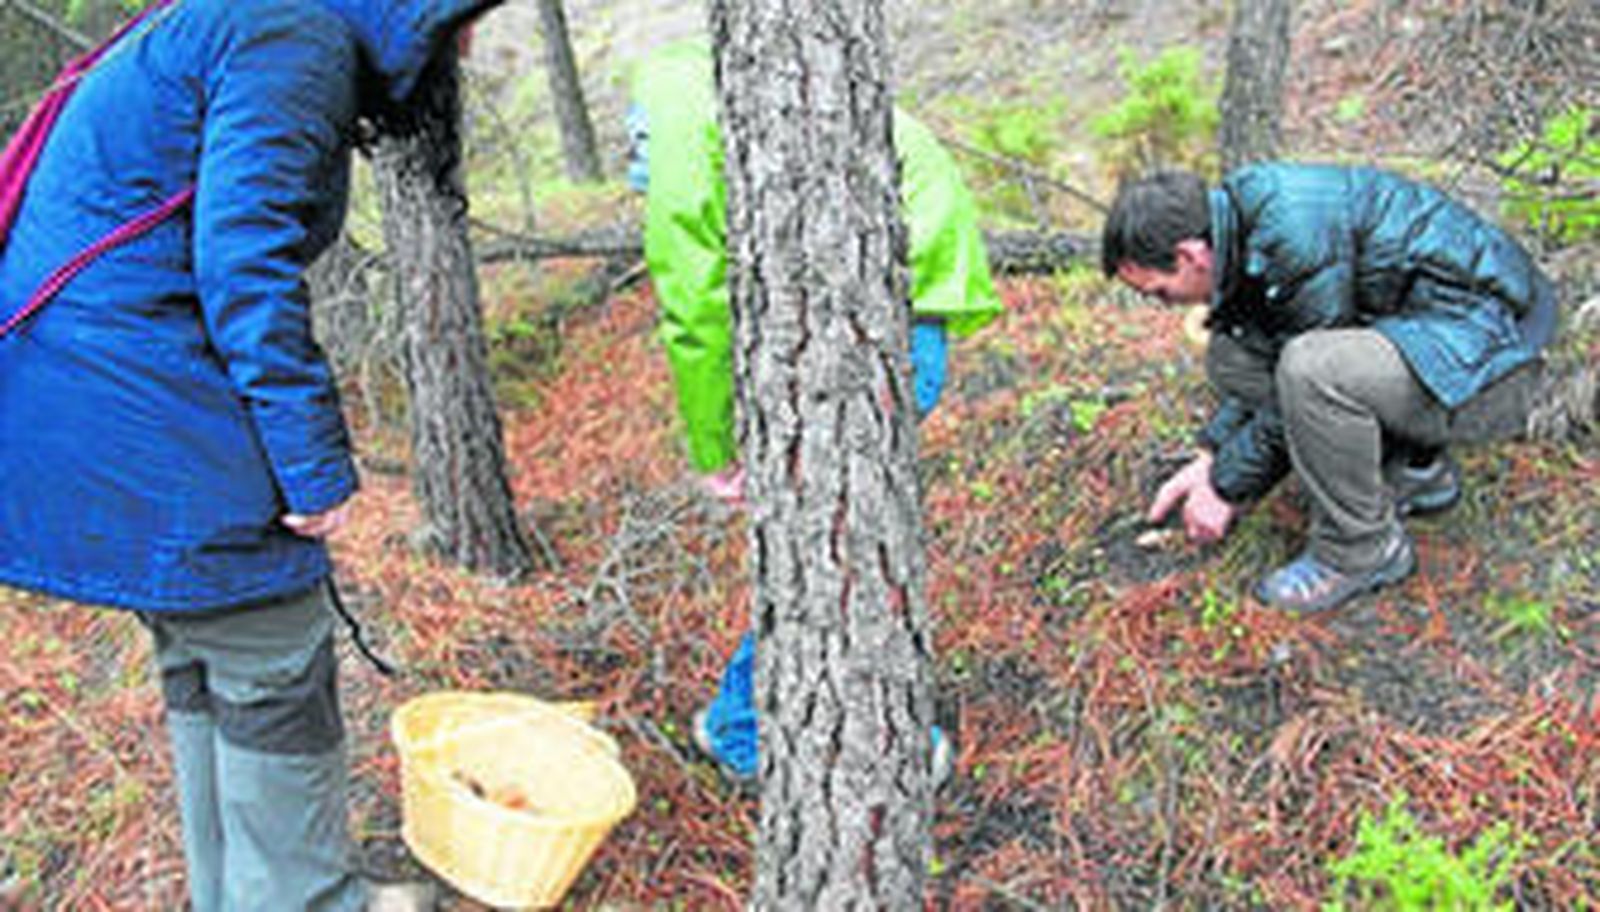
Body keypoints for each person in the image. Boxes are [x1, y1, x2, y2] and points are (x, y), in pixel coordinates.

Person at [0, 1, 501, 908]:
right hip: (122, 390)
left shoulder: (243, 17)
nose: (466, 44)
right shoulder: (289, 35)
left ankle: (235, 891)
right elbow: (240, 261)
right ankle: (306, 899)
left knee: (205, 636)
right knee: (268, 634)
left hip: (70, 388)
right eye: (464, 19)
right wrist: (312, 465)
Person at [627, 40, 1004, 781]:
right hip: (895, 289)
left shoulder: (675, 126)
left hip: (886, 301)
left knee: (838, 537)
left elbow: (692, 303)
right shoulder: (702, 92)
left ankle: (765, 728)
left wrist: (716, 448)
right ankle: (753, 727)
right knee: (836, 537)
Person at [1101, 165, 1558, 613]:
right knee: (1234, 355)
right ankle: (1415, 470)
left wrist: (1224, 489)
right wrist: (1211, 454)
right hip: (1448, 344)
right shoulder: (1239, 224)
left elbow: (1293, 386)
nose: (1164, 305)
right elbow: (1267, 343)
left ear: (1189, 256)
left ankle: (1361, 550)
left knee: (1314, 371)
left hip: (1498, 369)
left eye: (1160, 292)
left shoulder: (1292, 236)